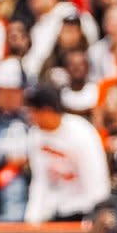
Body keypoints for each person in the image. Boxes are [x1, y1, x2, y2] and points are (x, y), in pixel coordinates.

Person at [23, 85, 111, 224]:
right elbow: (40, 180)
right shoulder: (35, 135)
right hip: (54, 211)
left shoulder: (81, 132)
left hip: (84, 210)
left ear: (47, 110)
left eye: (33, 111)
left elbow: (96, 179)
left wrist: (95, 219)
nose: (30, 117)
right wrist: (32, 219)